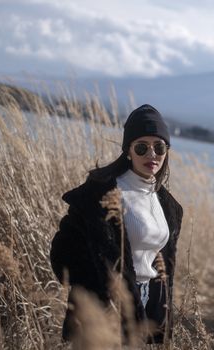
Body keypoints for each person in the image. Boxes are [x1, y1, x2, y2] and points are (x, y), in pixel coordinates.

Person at [50, 104, 183, 344]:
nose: (151, 155)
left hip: (145, 304)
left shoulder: (167, 204)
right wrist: (95, 291)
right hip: (106, 307)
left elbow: (161, 262)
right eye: (141, 147)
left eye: (159, 147)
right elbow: (62, 254)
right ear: (128, 151)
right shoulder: (101, 193)